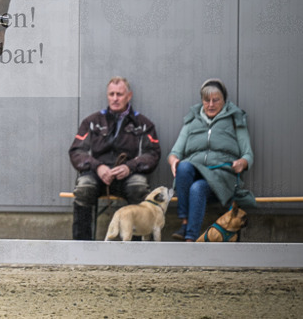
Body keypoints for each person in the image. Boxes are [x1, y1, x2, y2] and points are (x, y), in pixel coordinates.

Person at [68, 77, 161, 240]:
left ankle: (137, 249)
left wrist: (130, 166)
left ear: (129, 96)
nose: (115, 98)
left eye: (119, 94)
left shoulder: (144, 124)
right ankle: (82, 248)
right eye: (111, 94)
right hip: (97, 176)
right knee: (83, 188)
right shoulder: (92, 122)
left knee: (139, 188)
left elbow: (152, 153)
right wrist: (97, 166)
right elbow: (76, 151)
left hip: (129, 176)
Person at [168, 78, 254, 241]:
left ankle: (190, 239)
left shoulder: (235, 119)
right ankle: (185, 223)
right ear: (202, 101)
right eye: (207, 100)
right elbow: (175, 152)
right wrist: (173, 161)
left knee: (197, 188)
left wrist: (242, 163)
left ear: (224, 100)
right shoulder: (192, 120)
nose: (211, 104)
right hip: (196, 172)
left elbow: (248, 154)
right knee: (184, 167)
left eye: (216, 100)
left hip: (221, 177)